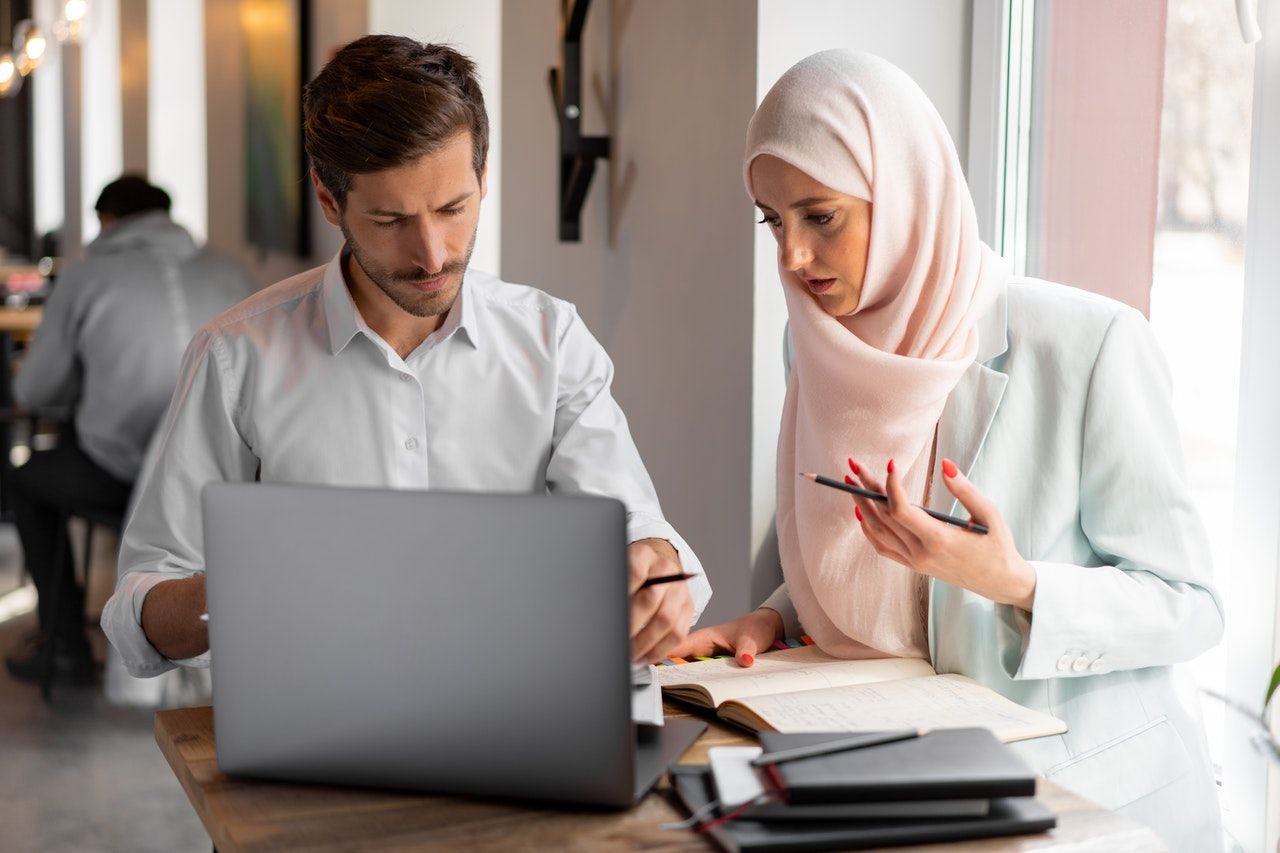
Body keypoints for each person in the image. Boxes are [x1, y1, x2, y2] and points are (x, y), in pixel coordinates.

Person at [669, 50, 1223, 851]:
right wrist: (773, 617)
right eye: (772, 220)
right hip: (889, 776)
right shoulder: (818, 351)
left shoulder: (1089, 344)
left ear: (905, 195)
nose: (791, 257)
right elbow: (868, 553)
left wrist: (1014, 581)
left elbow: (1192, 605)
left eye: (820, 216)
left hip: (1075, 798)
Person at [101, 36, 710, 679]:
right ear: (330, 200)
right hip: (315, 722)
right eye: (390, 220)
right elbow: (138, 613)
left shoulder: (551, 340)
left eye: (453, 209)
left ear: (483, 178)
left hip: (519, 703)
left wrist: (653, 559)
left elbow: (634, 524)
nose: (432, 254)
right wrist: (240, 591)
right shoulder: (234, 358)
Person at [5, 175, 255, 684]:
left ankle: (65, 647)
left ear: (108, 221)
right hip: (229, 484)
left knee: (25, 480)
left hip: (120, 474)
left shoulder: (85, 277)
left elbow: (36, 392)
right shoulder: (233, 273)